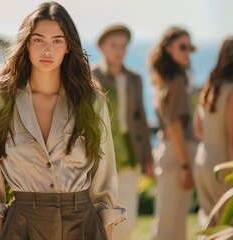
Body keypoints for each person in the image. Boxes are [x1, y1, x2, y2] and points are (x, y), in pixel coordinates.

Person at [0, 2, 126, 240]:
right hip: (21, 227)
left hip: (82, 227)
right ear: (26, 44)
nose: (47, 50)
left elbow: (104, 184)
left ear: (68, 46)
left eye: (57, 40)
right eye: (38, 40)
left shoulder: (91, 102)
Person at [92, 24, 153, 240]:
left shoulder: (134, 78)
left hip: (128, 153)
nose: (119, 50)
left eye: (123, 46)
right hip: (98, 156)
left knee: (129, 218)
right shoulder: (91, 75)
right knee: (101, 214)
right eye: (114, 45)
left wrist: (147, 158)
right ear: (102, 47)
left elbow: (141, 118)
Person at [149, 26, 198, 240]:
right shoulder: (176, 81)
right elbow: (173, 127)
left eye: (190, 48)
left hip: (171, 150)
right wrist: (186, 164)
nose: (188, 53)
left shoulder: (165, 79)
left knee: (172, 220)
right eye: (183, 47)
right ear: (169, 48)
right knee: (170, 222)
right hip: (178, 153)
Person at [193, 36, 233, 229]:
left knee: (209, 223)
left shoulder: (208, 87)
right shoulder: (231, 90)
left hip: (203, 160)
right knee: (227, 226)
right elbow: (232, 139)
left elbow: (197, 130)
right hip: (224, 166)